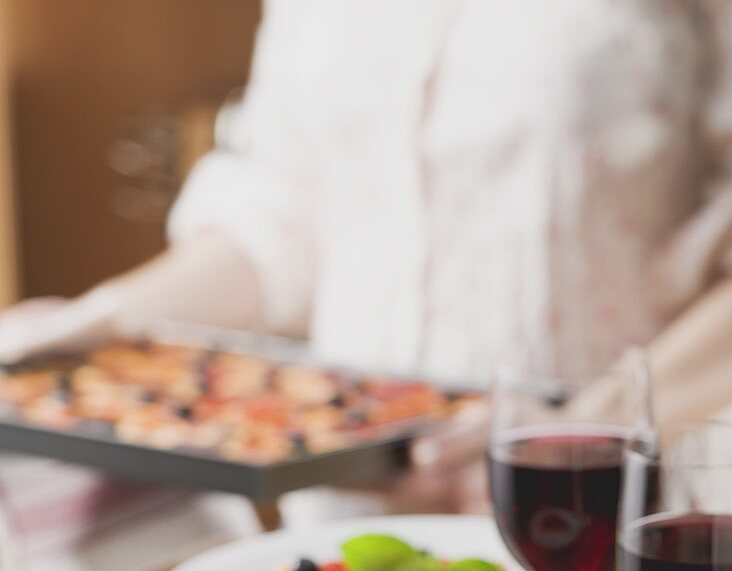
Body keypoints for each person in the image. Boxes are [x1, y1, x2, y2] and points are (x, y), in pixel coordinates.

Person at [2, 0, 732, 531]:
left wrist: (587, 430)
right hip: (346, 522)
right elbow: (284, 221)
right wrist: (106, 318)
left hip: (615, 524)